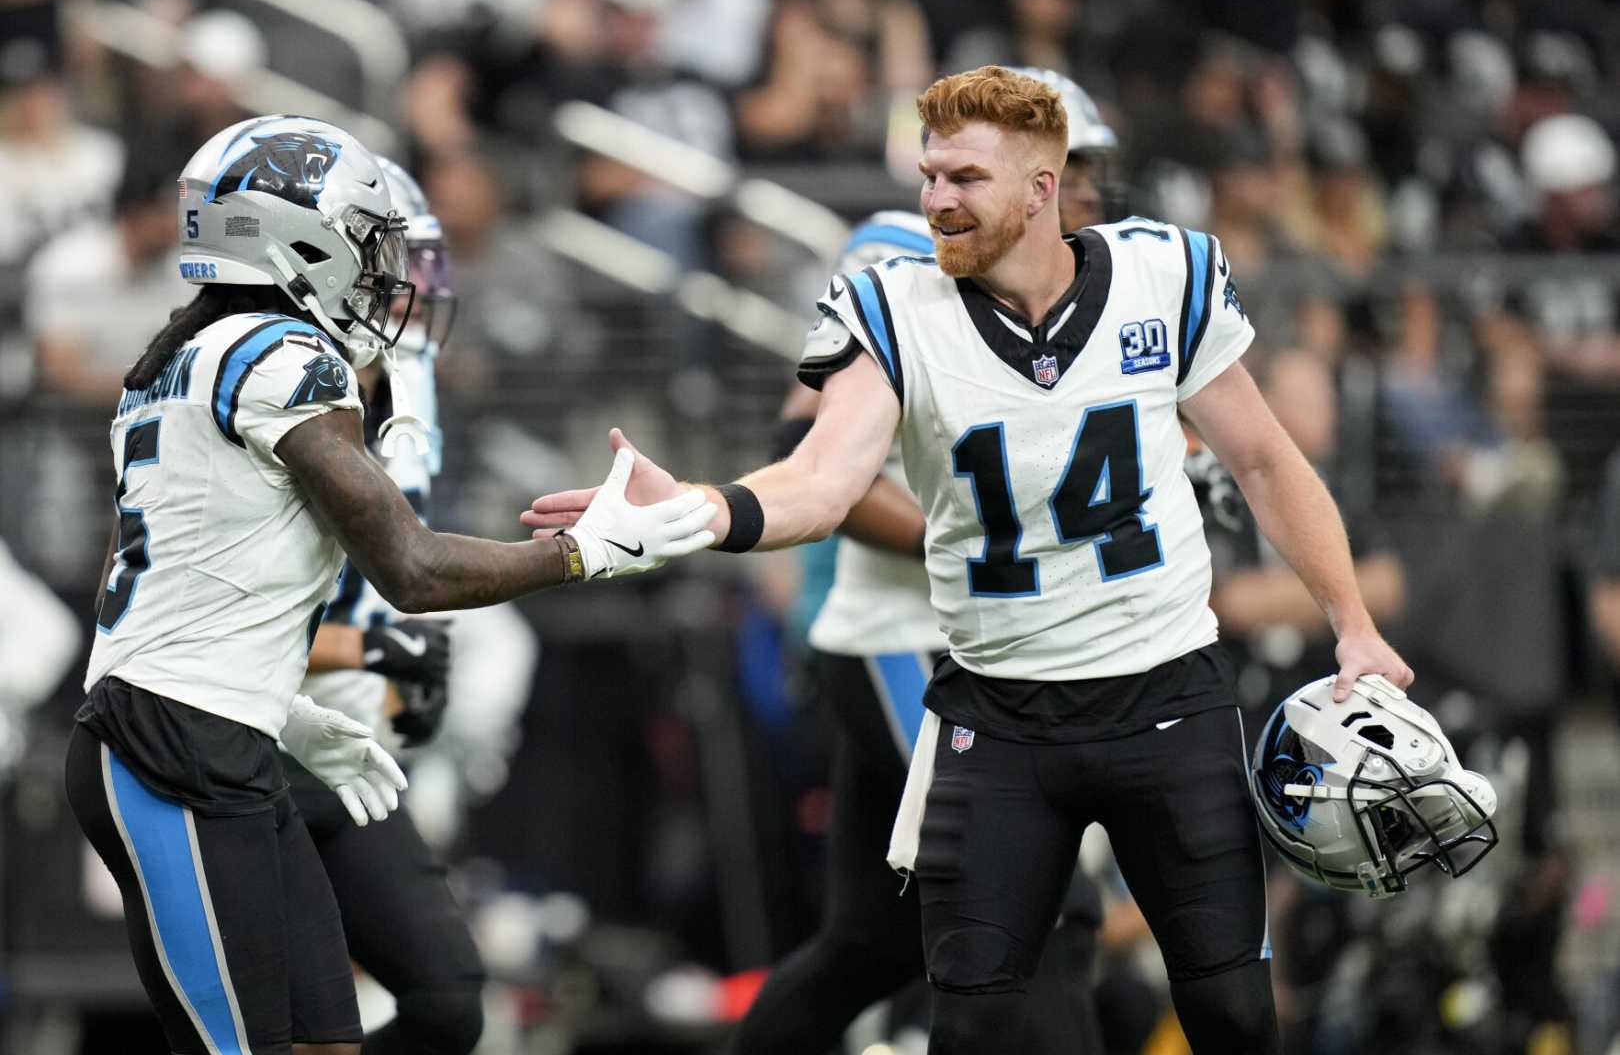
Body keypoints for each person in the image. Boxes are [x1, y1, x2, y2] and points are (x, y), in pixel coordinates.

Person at [527, 67, 1411, 1054]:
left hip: (1165, 696)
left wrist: (1353, 624)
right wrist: (698, 507)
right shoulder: (892, 300)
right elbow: (820, 481)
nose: (938, 197)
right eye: (929, 174)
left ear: (1042, 186)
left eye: (966, 177)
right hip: (994, 705)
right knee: (975, 1016)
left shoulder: (1163, 274)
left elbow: (1263, 456)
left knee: (1233, 1013)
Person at [63, 114, 717, 1055]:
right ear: (295, 239)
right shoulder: (283, 360)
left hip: (210, 731)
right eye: (367, 244)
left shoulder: (178, 362)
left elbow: (185, 588)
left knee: (333, 1040)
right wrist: (588, 551)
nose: (382, 272)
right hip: (172, 749)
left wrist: (271, 704)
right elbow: (409, 569)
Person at [730, 68, 1115, 1055]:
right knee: (1046, 908)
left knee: (869, 942)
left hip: (971, 645)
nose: (1092, 194)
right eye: (1079, 168)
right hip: (907, 640)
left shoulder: (1078, 283)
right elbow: (810, 460)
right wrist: (990, 538)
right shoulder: (908, 254)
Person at [291, 156, 484, 1054]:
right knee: (304, 1028)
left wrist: (385, 661)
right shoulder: (275, 389)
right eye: (392, 265)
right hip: (242, 733)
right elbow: (192, 623)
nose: (415, 288)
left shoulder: (403, 379)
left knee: (444, 1003)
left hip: (346, 732)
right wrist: (366, 653)